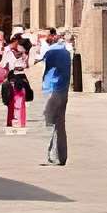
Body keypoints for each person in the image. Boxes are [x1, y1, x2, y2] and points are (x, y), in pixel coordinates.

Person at [41, 30, 74, 167]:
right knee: (60, 124)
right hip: (63, 91)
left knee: (50, 124)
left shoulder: (51, 52)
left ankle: (53, 156)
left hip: (53, 91)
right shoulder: (66, 52)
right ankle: (62, 156)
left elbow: (46, 70)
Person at [3, 33, 31, 132]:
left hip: (15, 78)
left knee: (16, 100)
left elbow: (5, 65)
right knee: (15, 100)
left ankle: (15, 121)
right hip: (18, 78)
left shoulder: (13, 53)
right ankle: (17, 121)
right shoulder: (13, 53)